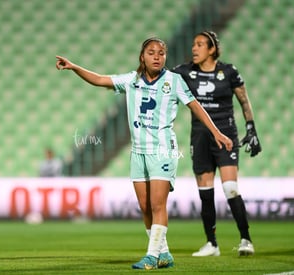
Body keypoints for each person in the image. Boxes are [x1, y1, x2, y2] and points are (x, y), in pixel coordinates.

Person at [56, 37, 233, 270]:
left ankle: (151, 256)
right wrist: (74, 67)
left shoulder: (174, 81)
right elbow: (100, 79)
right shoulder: (132, 80)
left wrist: (217, 132)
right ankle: (165, 253)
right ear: (143, 57)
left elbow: (195, 107)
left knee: (158, 205)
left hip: (162, 151)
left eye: (161, 52)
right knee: (145, 206)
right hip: (138, 152)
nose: (157, 56)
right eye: (152, 52)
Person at [173, 30, 261, 257]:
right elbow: (160, 79)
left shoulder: (229, 72)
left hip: (226, 134)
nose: (194, 48)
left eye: (200, 44)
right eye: (193, 44)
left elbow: (243, 99)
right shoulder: (184, 72)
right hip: (200, 136)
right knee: (205, 191)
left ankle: (246, 239)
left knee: (230, 187)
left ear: (212, 49)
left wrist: (251, 127)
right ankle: (212, 244)